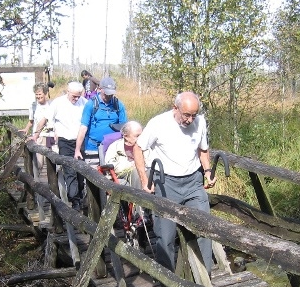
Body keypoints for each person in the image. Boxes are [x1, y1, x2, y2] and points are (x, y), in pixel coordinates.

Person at [133, 91, 216, 273]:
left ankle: (204, 280)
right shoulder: (159, 123)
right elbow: (138, 148)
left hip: (193, 182)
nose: (190, 120)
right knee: (166, 236)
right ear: (175, 108)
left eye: (193, 115)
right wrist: (145, 179)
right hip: (166, 183)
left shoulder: (200, 122)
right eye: (186, 115)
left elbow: (203, 149)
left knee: (204, 229)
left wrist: (208, 171)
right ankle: (169, 284)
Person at [74, 76, 128, 163]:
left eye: (111, 93)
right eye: (106, 93)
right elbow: (83, 128)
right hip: (92, 149)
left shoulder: (118, 105)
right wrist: (77, 150)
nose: (109, 96)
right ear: (100, 89)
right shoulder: (91, 104)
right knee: (93, 175)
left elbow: (125, 128)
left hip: (112, 149)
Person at [51, 81, 87, 210]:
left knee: (81, 172)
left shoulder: (84, 102)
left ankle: (81, 197)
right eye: (74, 96)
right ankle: (74, 200)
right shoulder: (58, 103)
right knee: (69, 171)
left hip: (80, 141)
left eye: (78, 96)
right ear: (68, 92)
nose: (76, 99)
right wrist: (53, 130)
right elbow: (48, 118)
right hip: (65, 141)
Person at [21, 83, 54, 180]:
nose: (38, 96)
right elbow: (31, 121)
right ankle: (36, 183)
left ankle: (52, 185)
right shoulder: (33, 106)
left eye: (40, 94)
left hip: (50, 136)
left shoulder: (51, 105)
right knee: (38, 163)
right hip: (38, 136)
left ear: (45, 93)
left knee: (51, 161)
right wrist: (26, 129)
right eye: (36, 94)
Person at [103, 121, 145, 189]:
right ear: (126, 136)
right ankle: (139, 198)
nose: (140, 138)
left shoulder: (143, 146)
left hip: (143, 171)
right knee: (136, 173)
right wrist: (132, 164)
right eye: (137, 136)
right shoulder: (114, 147)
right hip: (122, 174)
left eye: (141, 135)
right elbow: (110, 166)